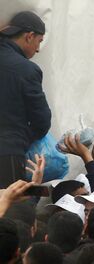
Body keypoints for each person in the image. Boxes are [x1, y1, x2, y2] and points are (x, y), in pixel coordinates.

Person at [0, 11, 51, 188]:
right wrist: (19, 137)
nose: (37, 49)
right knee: (10, 210)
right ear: (29, 36)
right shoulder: (27, 70)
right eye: (39, 42)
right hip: (8, 154)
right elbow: (42, 121)